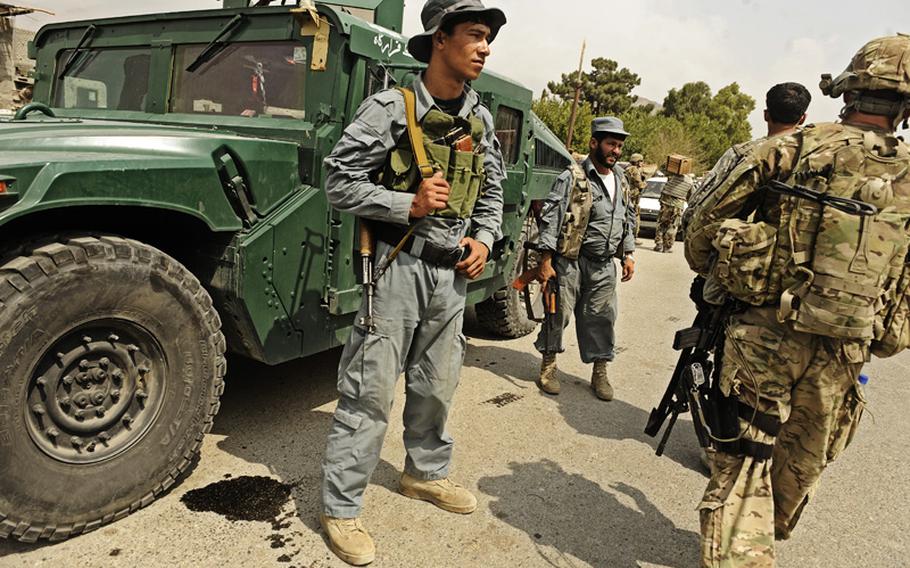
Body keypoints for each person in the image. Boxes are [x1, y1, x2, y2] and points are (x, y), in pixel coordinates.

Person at [684, 34, 910, 566]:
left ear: (848, 90)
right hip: (845, 353)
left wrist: (726, 273)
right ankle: (751, 543)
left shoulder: (791, 148)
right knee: (797, 466)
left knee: (747, 459)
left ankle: (742, 545)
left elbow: (702, 230)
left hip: (765, 337)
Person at [318, 0, 506, 564]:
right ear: (441, 39)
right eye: (475, 34)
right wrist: (406, 203)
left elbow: (493, 192)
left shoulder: (480, 116)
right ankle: (341, 508)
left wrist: (484, 240)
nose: (485, 47)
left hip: (451, 275)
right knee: (368, 391)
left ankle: (423, 473)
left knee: (437, 383)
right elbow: (335, 181)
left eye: (489, 37)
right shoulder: (390, 108)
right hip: (397, 266)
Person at [533, 117, 637, 400]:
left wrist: (628, 253)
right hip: (570, 261)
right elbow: (552, 218)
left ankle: (600, 372)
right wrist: (545, 261)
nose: (616, 150)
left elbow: (627, 217)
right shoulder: (572, 177)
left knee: (602, 317)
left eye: (619, 145)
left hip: (604, 264)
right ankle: (549, 366)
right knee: (559, 314)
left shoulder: (621, 180)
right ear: (594, 143)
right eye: (610, 144)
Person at [687, 82, 812, 215]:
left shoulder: (741, 153)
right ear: (803, 118)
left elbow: (699, 204)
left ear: (766, 115)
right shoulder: (815, 156)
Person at [653, 164, 693, 253]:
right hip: (677, 207)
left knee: (661, 224)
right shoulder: (689, 181)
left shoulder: (672, 176)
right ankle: (667, 246)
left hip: (665, 204)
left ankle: (659, 245)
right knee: (673, 226)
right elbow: (690, 196)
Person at [624, 153, 648, 241]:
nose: (642, 163)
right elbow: (639, 184)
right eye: (641, 161)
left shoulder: (628, 168)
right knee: (634, 217)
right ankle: (633, 236)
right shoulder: (634, 170)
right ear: (637, 161)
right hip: (633, 197)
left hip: (629, 196)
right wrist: (645, 183)